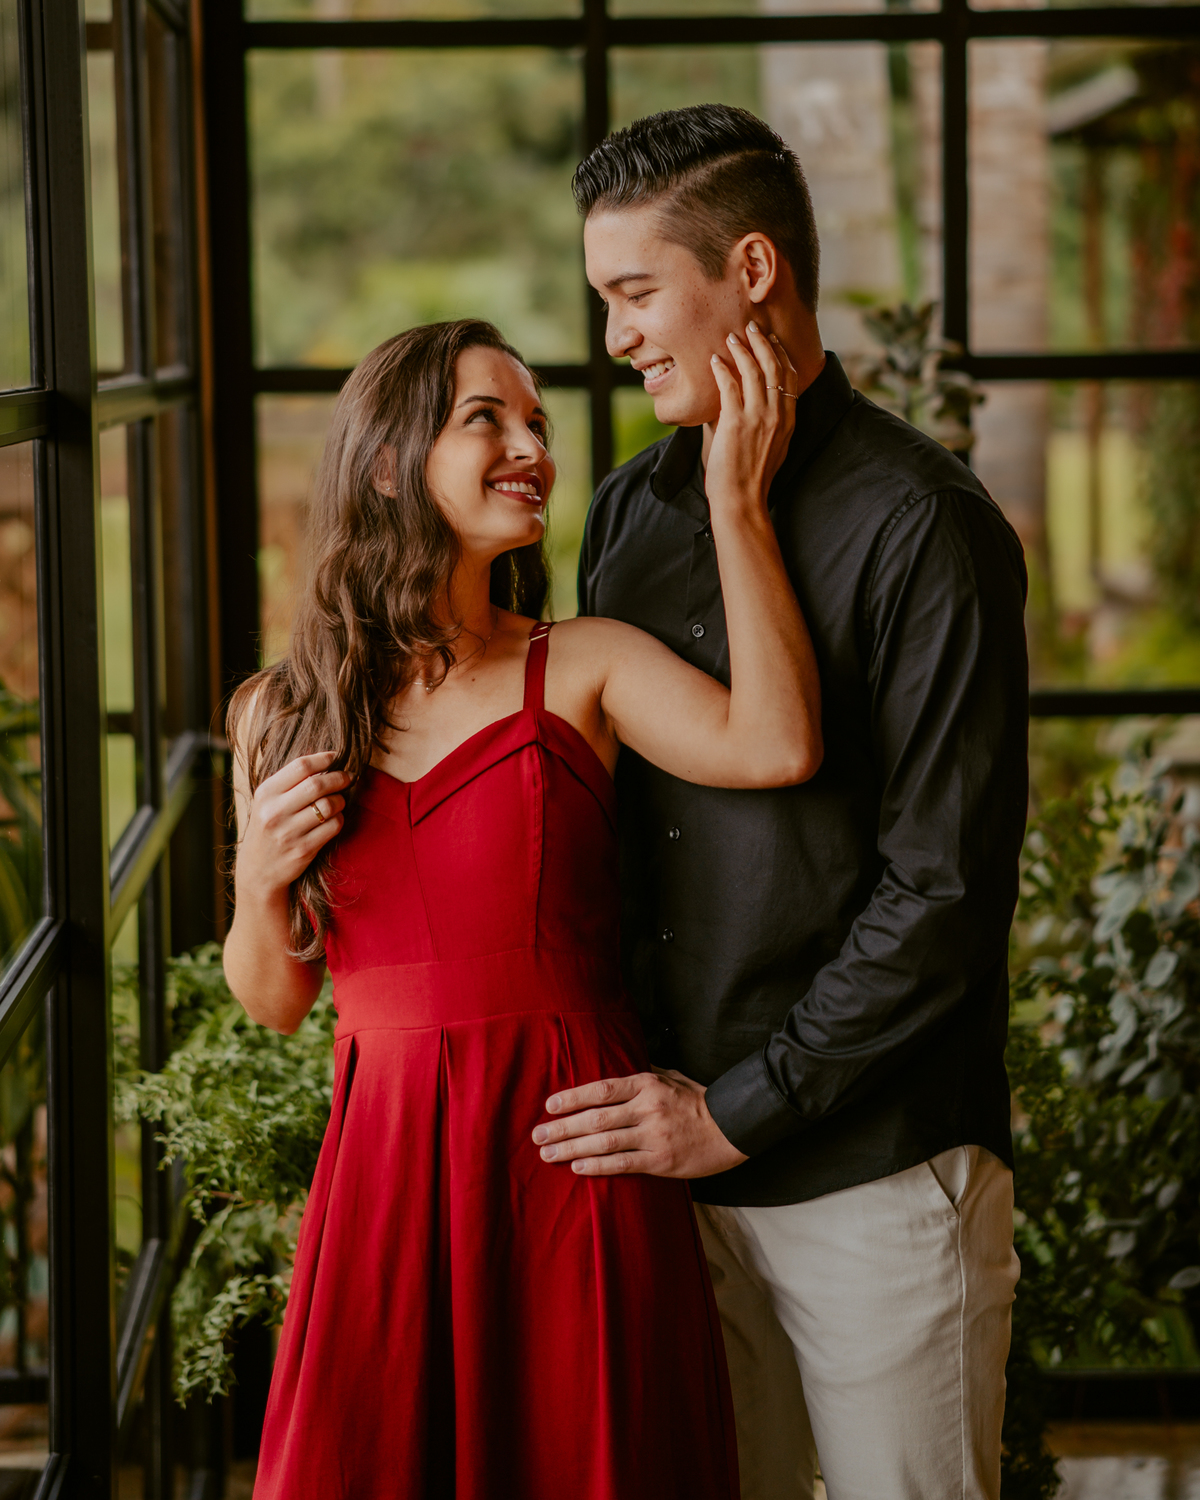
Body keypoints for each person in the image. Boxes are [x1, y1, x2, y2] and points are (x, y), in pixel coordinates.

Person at [223, 316, 822, 1500]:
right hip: (386, 1178)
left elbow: (779, 742)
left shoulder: (586, 661)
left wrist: (737, 506)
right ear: (388, 462)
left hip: (573, 1168)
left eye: (537, 421)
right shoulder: (276, 712)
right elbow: (279, 998)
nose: (530, 446)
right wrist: (256, 878)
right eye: (484, 418)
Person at [536, 105, 1029, 1500]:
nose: (619, 335)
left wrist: (743, 1108)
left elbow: (944, 888)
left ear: (752, 269)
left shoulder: (928, 526)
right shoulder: (627, 512)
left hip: (874, 1172)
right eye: (606, 301)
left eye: (637, 293)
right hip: (664, 1168)